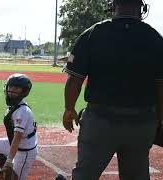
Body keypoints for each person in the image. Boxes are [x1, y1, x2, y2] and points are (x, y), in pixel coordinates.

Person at [62, 0, 163, 179]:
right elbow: (161, 86)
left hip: (100, 122)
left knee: (85, 175)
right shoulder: (155, 38)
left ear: (113, 6)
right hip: (141, 123)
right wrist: (159, 119)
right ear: (142, 8)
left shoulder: (94, 33)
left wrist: (69, 108)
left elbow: (74, 80)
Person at [0, 73, 38, 180]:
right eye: (10, 87)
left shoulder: (23, 111)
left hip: (24, 150)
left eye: (16, 88)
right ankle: (8, 169)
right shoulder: (13, 105)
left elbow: (17, 138)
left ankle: (11, 168)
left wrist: (9, 161)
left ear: (24, 91)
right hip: (13, 143)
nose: (11, 90)